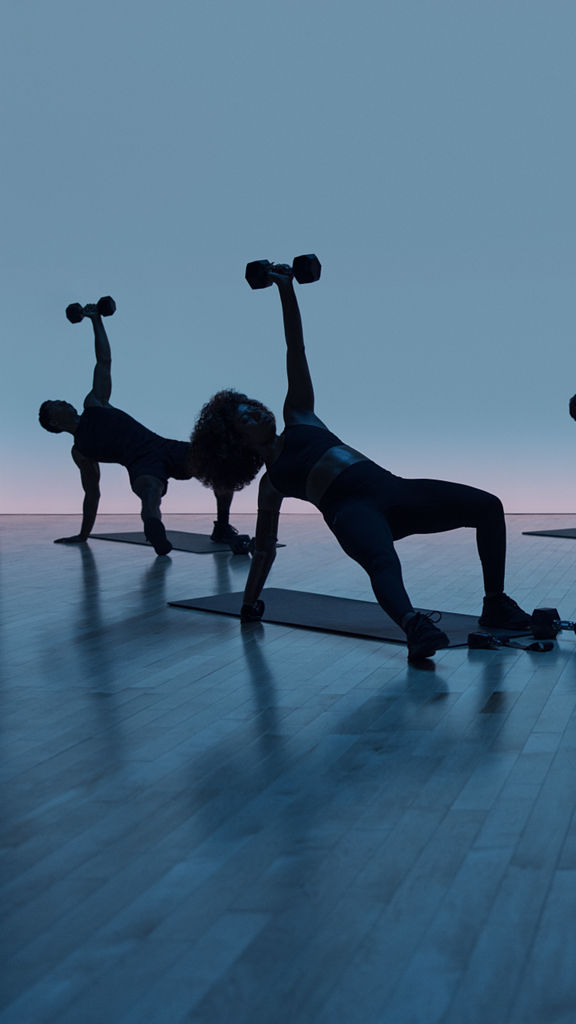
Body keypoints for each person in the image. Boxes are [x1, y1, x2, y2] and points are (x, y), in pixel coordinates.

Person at [190, 263, 532, 661]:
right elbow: (264, 549)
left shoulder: (300, 415)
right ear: (235, 443)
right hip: (351, 514)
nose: (255, 412)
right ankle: (414, 627)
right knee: (382, 560)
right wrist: (250, 603)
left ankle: (495, 602)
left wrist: (286, 289)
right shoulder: (272, 484)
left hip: (395, 491)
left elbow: (295, 348)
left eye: (251, 406)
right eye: (244, 418)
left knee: (487, 506)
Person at [39, 304, 255, 555]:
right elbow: (92, 493)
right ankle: (155, 533)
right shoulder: (80, 451)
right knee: (150, 494)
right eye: (55, 405)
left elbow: (104, 360)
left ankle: (222, 526)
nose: (62, 401)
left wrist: (96, 319)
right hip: (140, 464)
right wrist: (83, 534)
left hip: (161, 446)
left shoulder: (95, 403)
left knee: (219, 465)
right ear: (54, 423)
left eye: (59, 400)